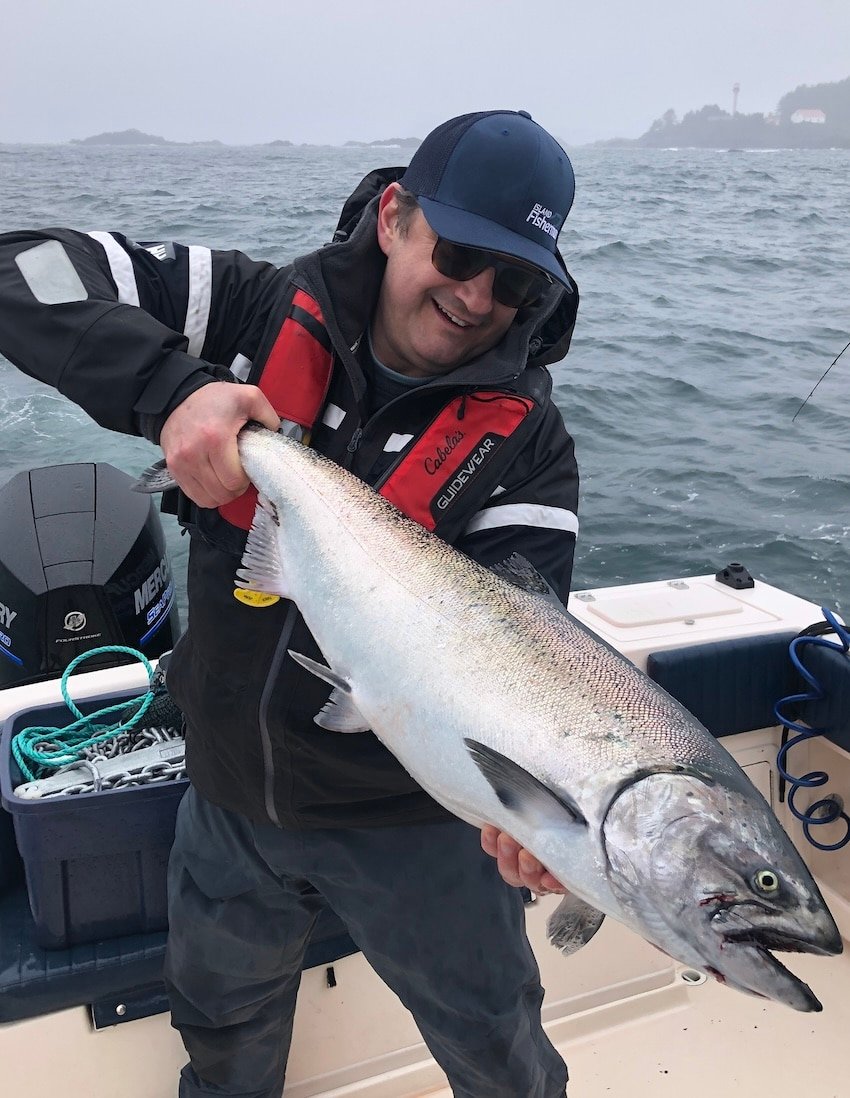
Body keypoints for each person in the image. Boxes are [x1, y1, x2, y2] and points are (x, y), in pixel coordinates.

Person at [0, 109, 580, 1097]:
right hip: (227, 798)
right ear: (396, 217)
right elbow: (24, 269)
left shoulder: (526, 444)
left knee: (498, 1048)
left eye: (516, 280)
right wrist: (169, 389)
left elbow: (522, 650)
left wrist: (532, 811)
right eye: (460, 250)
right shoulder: (249, 309)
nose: (477, 295)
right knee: (220, 1032)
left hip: (413, 825)